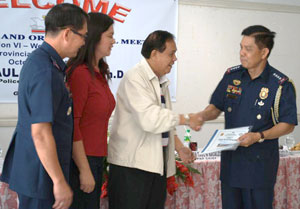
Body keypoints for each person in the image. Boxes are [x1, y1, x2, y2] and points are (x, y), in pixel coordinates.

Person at [198, 25, 297, 209]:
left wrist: (259, 136)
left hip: (259, 169)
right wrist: (202, 116)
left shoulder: (280, 84)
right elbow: (215, 107)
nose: (242, 53)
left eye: (248, 49)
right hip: (231, 166)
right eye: (241, 47)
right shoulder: (232, 76)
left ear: (264, 52)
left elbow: (288, 124)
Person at [0, 4, 88, 209]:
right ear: (67, 33)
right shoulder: (45, 70)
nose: (84, 42)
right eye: (83, 36)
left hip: (43, 170)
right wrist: (58, 181)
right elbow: (40, 131)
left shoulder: (48, 64)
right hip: (42, 175)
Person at [107, 30, 202, 209]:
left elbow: (164, 123)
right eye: (171, 53)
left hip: (155, 166)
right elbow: (150, 119)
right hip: (132, 169)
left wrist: (180, 147)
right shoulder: (135, 78)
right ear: (154, 54)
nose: (175, 59)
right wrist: (187, 118)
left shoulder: (161, 81)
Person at [67, 13, 115, 209]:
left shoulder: (99, 73)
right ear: (95, 37)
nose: (114, 41)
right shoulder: (79, 74)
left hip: (95, 159)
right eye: (110, 36)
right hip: (80, 162)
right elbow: (73, 125)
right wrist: (84, 169)